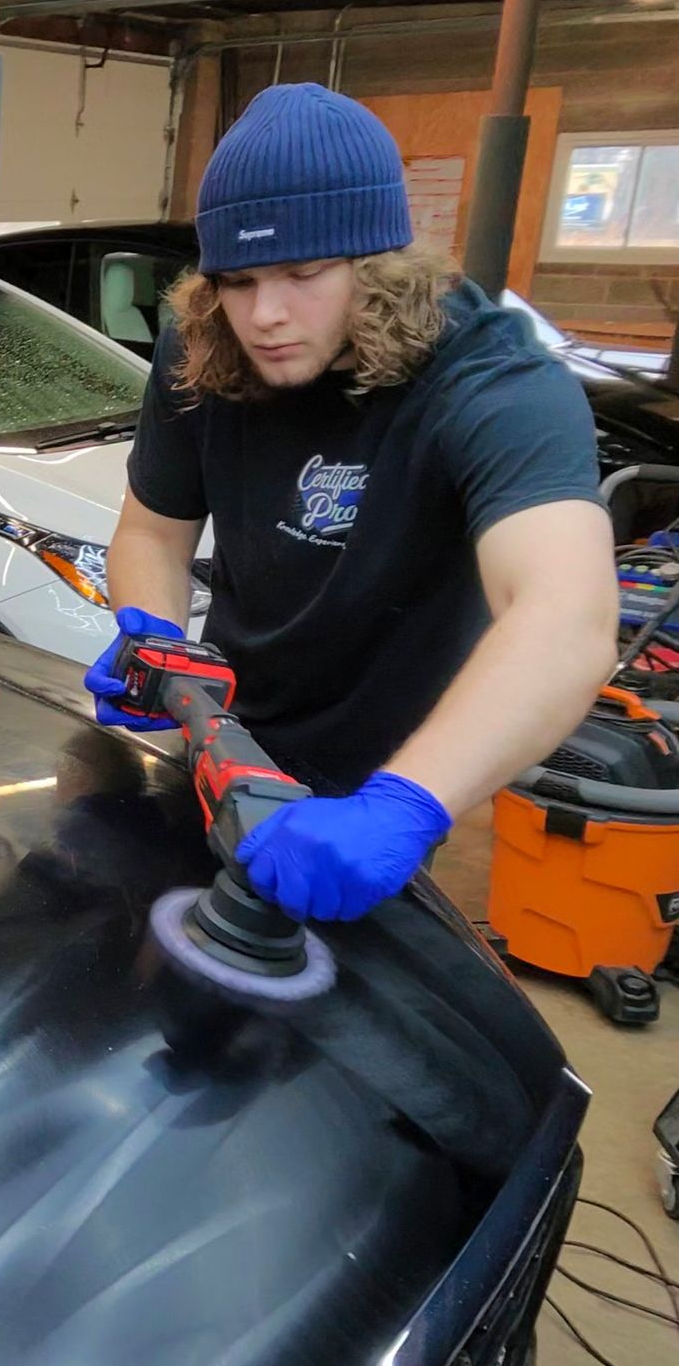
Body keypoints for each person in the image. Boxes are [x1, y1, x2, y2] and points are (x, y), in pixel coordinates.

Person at [85, 82, 618, 924]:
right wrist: (157, 645)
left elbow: (569, 617)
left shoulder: (490, 380)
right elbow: (152, 530)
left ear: (377, 264)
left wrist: (405, 805)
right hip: (222, 737)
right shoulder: (202, 347)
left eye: (304, 273)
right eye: (239, 277)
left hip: (391, 774)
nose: (266, 314)